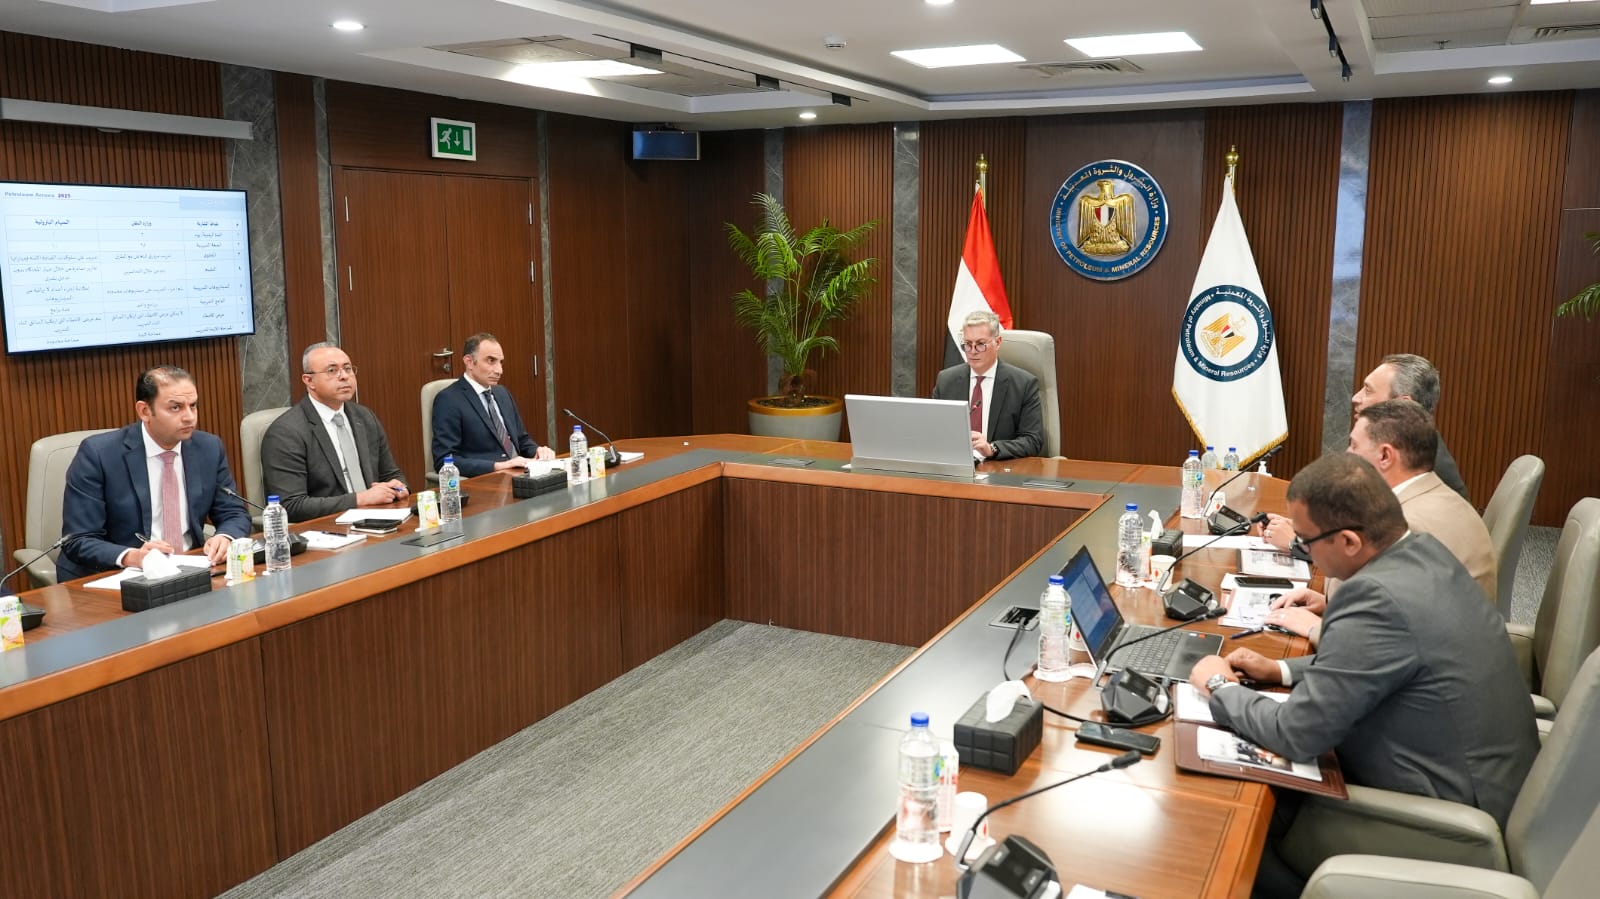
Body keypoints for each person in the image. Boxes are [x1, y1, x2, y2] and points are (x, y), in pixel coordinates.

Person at [1189, 453, 1538, 894]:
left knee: (1229, 831)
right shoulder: (1425, 552)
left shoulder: (1374, 599)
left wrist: (1218, 685)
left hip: (1443, 821)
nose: (1305, 552)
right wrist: (1280, 668)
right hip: (1483, 781)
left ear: (1350, 541)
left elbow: (1296, 734)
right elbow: (1379, 663)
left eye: (1306, 541)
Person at [1264, 399, 1498, 643]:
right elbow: (1402, 605)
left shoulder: (1406, 524)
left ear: (1385, 456)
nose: (1347, 454)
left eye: (1354, 445)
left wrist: (1316, 628)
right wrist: (1328, 604)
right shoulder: (1432, 494)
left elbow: (1388, 640)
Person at [57, 366, 252, 581]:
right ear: (144, 411)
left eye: (193, 406)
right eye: (176, 407)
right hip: (117, 575)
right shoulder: (99, 454)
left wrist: (225, 537)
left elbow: (233, 512)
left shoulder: (208, 448)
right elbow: (78, 539)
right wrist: (133, 556)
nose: (189, 417)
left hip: (191, 569)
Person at [261, 343, 408, 522]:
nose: (344, 376)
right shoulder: (286, 432)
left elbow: (390, 473)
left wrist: (398, 487)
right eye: (332, 370)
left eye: (348, 368)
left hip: (378, 518)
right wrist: (360, 499)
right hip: (327, 526)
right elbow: (291, 505)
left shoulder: (364, 417)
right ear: (309, 381)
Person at [431, 333, 555, 477]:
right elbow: (444, 460)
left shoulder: (502, 393)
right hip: (488, 480)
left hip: (522, 473)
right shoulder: (449, 399)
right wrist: (498, 466)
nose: (499, 370)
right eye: (491, 361)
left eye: (500, 362)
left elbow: (521, 439)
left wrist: (538, 451)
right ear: (469, 362)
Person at [1351, 353, 1467, 500]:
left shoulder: (1422, 464)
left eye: (1368, 390)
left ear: (1403, 404)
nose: (1355, 398)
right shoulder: (1400, 444)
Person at [932, 310, 1044, 460]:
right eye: (967, 344)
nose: (972, 351)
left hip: (1000, 467)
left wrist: (992, 448)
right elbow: (934, 431)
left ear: (997, 343)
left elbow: (1032, 440)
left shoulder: (1023, 384)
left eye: (980, 344)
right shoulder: (946, 381)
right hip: (955, 462)